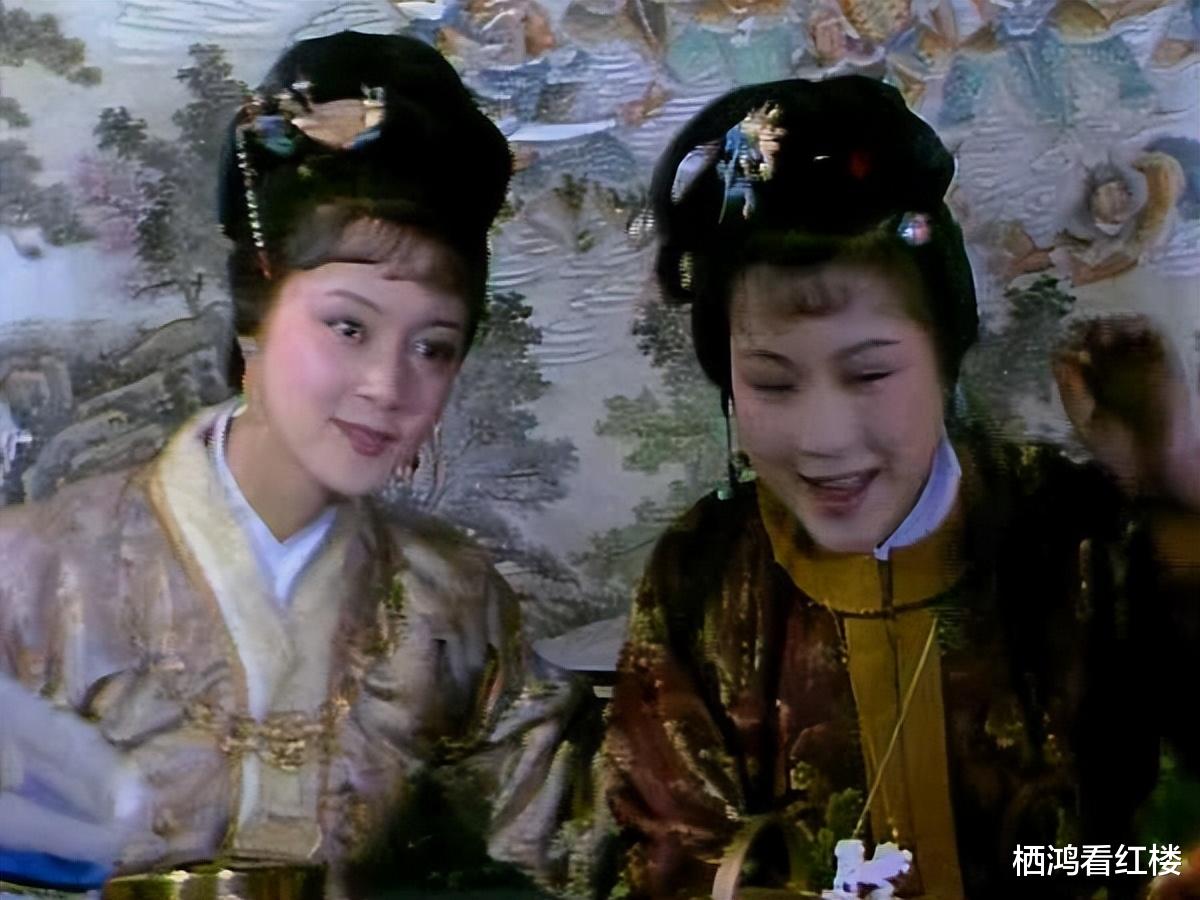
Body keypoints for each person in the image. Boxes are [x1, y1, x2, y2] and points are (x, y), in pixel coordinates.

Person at [0, 30, 575, 896]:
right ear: (254, 317)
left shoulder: (453, 601)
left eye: (432, 346)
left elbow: (543, 862)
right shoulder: (35, 575)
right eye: (348, 326)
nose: (387, 385)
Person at [602, 75, 1200, 899]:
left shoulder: (1073, 536)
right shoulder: (701, 581)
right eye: (772, 383)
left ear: (945, 356)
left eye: (870, 373)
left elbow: (1164, 838)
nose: (824, 438)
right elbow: (666, 854)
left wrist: (1172, 483)